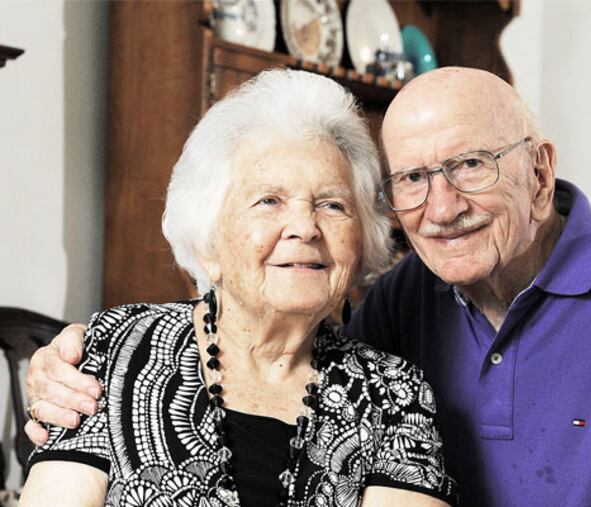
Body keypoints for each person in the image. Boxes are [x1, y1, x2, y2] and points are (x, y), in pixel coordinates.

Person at [25, 67, 591, 506]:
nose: (441, 208)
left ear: (540, 170)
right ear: (207, 231)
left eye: (471, 164)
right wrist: (55, 366)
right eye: (411, 178)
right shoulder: (407, 299)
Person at [19, 69, 457, 507]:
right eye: (269, 201)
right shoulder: (117, 350)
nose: (305, 227)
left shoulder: (393, 394)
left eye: (332, 204)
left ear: (361, 245)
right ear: (207, 240)